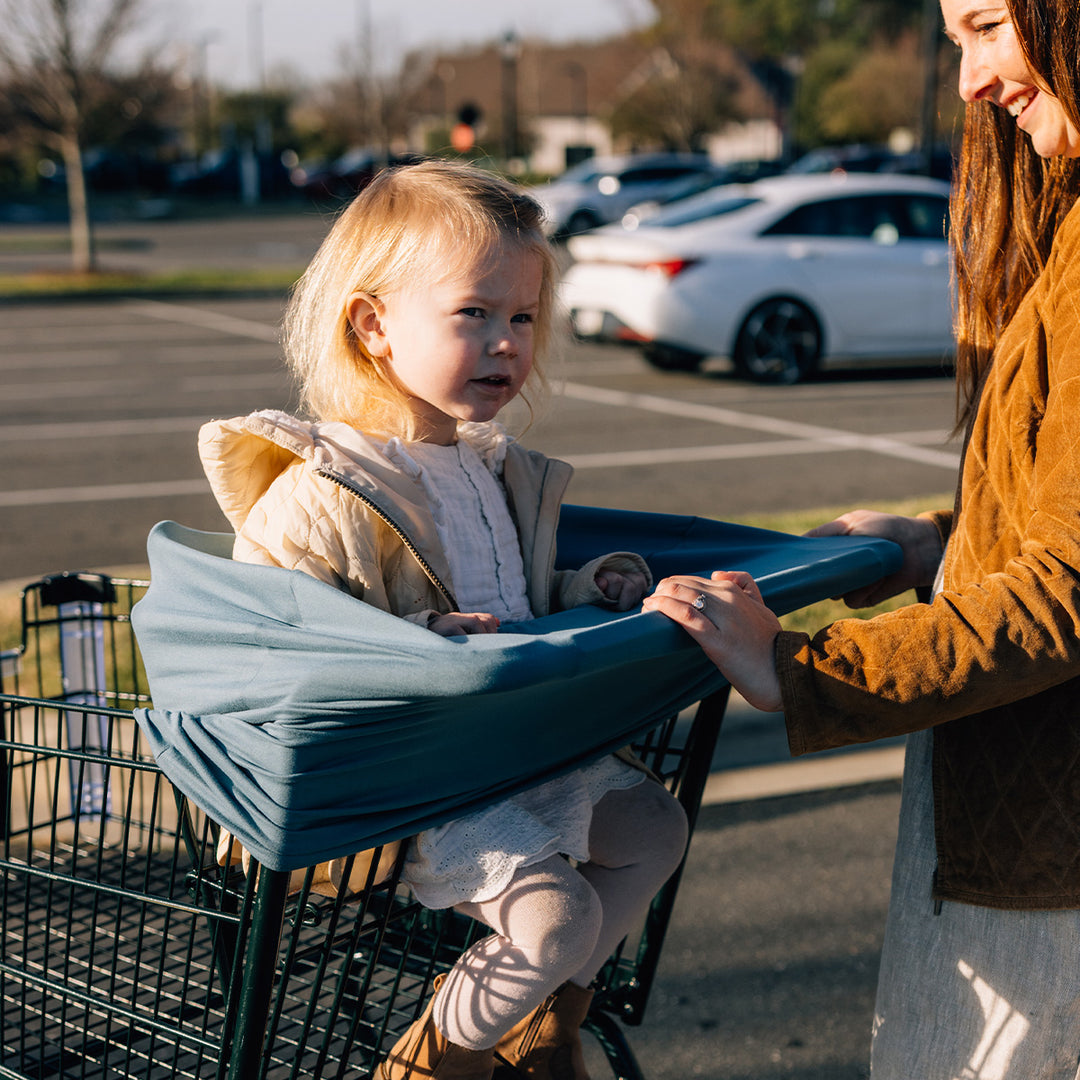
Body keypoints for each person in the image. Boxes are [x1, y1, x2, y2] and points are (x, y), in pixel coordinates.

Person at [643, 0, 1080, 1075]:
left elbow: (1066, 591)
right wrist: (944, 541)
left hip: (1046, 834)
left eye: (987, 25)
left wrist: (801, 669)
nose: (971, 81)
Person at [197, 159, 688, 1080]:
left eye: (524, 318)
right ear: (374, 325)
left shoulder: (489, 467)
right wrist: (411, 649)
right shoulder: (320, 492)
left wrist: (588, 592)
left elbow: (514, 599)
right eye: (475, 314)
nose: (508, 343)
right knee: (558, 919)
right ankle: (430, 1066)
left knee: (656, 831)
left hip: (511, 749)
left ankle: (541, 1026)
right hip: (418, 784)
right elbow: (273, 649)